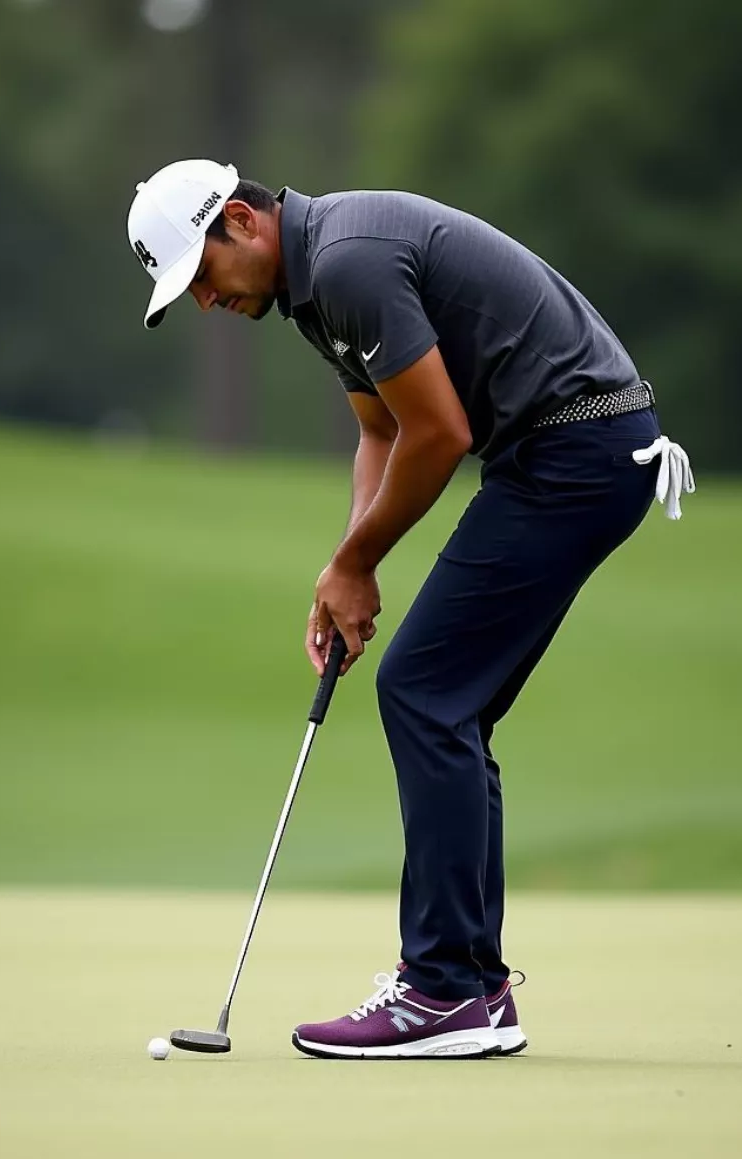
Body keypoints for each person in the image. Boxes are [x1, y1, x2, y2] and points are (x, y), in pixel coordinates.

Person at [126, 159, 694, 1060]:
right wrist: (347, 568)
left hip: (577, 449)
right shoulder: (314, 286)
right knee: (449, 704)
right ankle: (472, 988)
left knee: (425, 689)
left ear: (240, 220)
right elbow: (382, 432)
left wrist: (358, 562)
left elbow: (440, 434)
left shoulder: (347, 262)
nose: (204, 303)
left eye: (200, 275)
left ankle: (439, 993)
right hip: (564, 451)